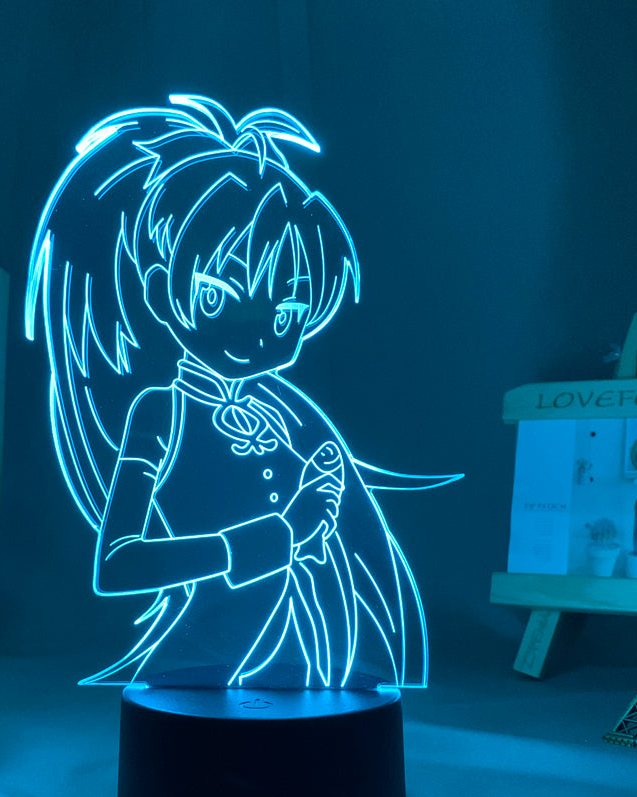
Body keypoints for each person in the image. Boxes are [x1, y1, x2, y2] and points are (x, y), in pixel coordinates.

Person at [26, 96, 460, 689]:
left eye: (286, 316)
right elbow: (117, 563)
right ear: (160, 290)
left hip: (309, 653)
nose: (254, 336)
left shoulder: (288, 415)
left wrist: (323, 511)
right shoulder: (162, 411)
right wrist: (280, 534)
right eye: (217, 296)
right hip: (207, 654)